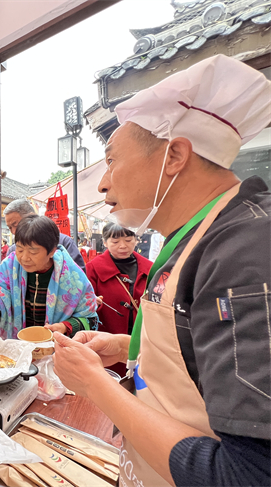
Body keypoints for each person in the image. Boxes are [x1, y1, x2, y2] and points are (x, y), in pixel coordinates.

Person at [52, 55, 270, 487]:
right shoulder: (191, 237)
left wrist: (97, 385)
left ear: (175, 156)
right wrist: (124, 348)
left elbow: (249, 473)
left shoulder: (244, 251)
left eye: (112, 160)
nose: (102, 183)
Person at [0, 215, 98, 339]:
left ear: (52, 251)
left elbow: (89, 319)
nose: (24, 258)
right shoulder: (10, 266)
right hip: (18, 347)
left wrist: (65, 326)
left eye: (33, 251)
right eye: (20, 249)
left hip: (57, 352)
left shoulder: (73, 276)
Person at [85, 222, 152, 376]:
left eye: (128, 240)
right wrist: (93, 304)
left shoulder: (150, 268)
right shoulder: (93, 268)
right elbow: (84, 303)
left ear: (136, 240)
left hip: (142, 339)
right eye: (115, 242)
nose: (123, 246)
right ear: (105, 242)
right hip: (108, 339)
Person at [3, 199, 86, 272]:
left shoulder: (64, 242)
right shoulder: (13, 250)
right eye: (10, 228)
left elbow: (79, 276)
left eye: (16, 225)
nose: (14, 231)